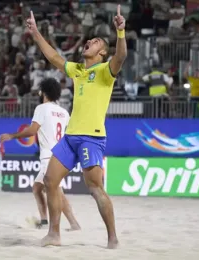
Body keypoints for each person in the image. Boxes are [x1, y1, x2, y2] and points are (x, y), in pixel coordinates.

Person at [26, 5, 127, 249]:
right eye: (89, 40)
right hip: (70, 137)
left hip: (91, 138)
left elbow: (121, 56)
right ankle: (54, 234)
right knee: (50, 181)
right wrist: (37, 34)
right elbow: (53, 58)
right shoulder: (79, 71)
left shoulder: (106, 70)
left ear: (102, 52)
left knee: (94, 188)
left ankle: (112, 237)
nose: (89, 42)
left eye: (95, 42)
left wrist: (120, 32)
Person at [0, 78, 80, 231]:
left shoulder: (42, 108)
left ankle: (74, 224)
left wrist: (12, 136)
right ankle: (44, 221)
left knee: (57, 191)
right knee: (37, 188)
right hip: (61, 155)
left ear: (44, 92)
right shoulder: (64, 112)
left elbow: (32, 130)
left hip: (49, 156)